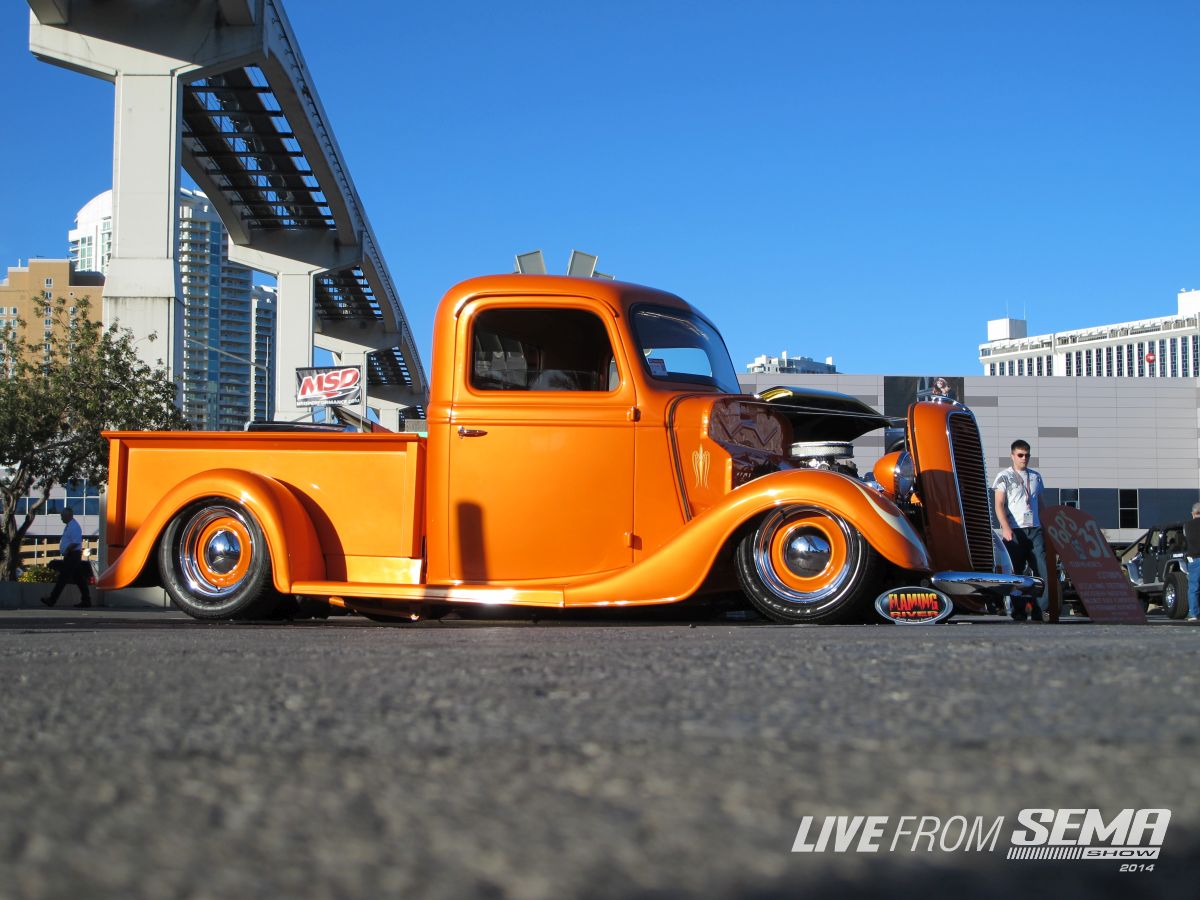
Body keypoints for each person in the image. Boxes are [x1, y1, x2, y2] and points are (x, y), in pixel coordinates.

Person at [993, 439, 1049, 621]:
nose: (1024, 458)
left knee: (1042, 568)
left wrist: (1046, 526)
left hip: (1035, 529)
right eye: (1020, 455)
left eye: (1027, 455)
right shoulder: (1004, 476)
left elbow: (1040, 503)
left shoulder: (1035, 477)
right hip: (1015, 530)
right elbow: (999, 504)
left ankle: (1042, 609)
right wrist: (1005, 528)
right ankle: (1018, 610)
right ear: (1012, 456)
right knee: (1016, 572)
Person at [40, 508, 91, 608]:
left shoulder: (74, 526)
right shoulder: (69, 526)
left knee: (63, 577)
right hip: (71, 555)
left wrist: (67, 550)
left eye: (62, 516)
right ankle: (86, 600)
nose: (61, 518)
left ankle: (52, 599)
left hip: (73, 555)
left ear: (68, 515)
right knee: (79, 578)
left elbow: (76, 542)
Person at [1185, 501, 1200, 623]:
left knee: (1194, 587)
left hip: (1194, 560)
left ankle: (1194, 614)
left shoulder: (1187, 525)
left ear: (1193, 513)